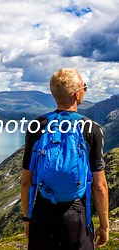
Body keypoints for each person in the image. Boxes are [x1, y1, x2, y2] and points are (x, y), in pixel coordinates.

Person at [21, 68, 109, 250]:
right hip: (76, 215)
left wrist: (27, 218)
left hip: (43, 212)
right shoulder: (91, 129)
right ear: (77, 94)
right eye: (85, 87)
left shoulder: (37, 125)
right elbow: (99, 185)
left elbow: (26, 181)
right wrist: (104, 225)